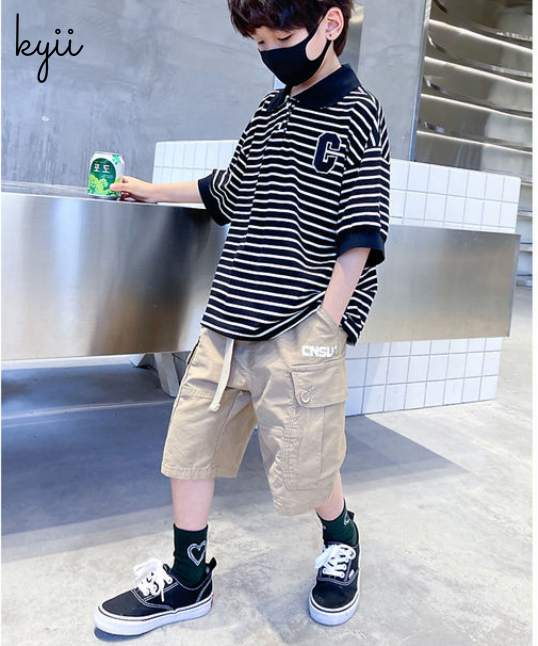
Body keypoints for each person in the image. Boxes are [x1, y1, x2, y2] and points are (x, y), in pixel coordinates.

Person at [94, 0, 390, 635]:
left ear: (330, 25)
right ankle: (189, 579)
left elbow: (361, 234)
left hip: (302, 324)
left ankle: (341, 539)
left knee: (307, 459)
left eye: (282, 37)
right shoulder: (267, 112)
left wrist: (326, 328)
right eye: (259, 43)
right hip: (228, 318)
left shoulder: (359, 112)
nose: (271, 53)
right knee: (190, 447)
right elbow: (226, 191)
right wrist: (152, 189)